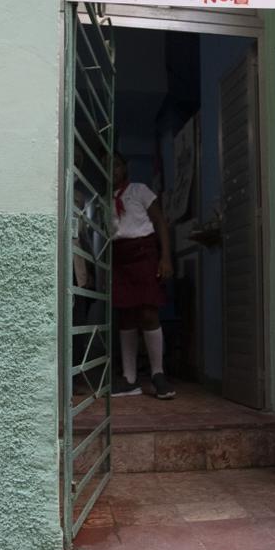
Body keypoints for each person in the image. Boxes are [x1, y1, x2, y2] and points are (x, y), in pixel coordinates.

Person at [110, 153, 175, 399]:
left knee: (148, 312)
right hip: (119, 257)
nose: (112, 170)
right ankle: (129, 379)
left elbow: (160, 221)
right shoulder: (104, 198)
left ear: (125, 166)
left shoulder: (139, 190)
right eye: (107, 166)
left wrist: (165, 257)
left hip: (144, 252)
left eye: (116, 164)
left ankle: (158, 374)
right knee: (125, 315)